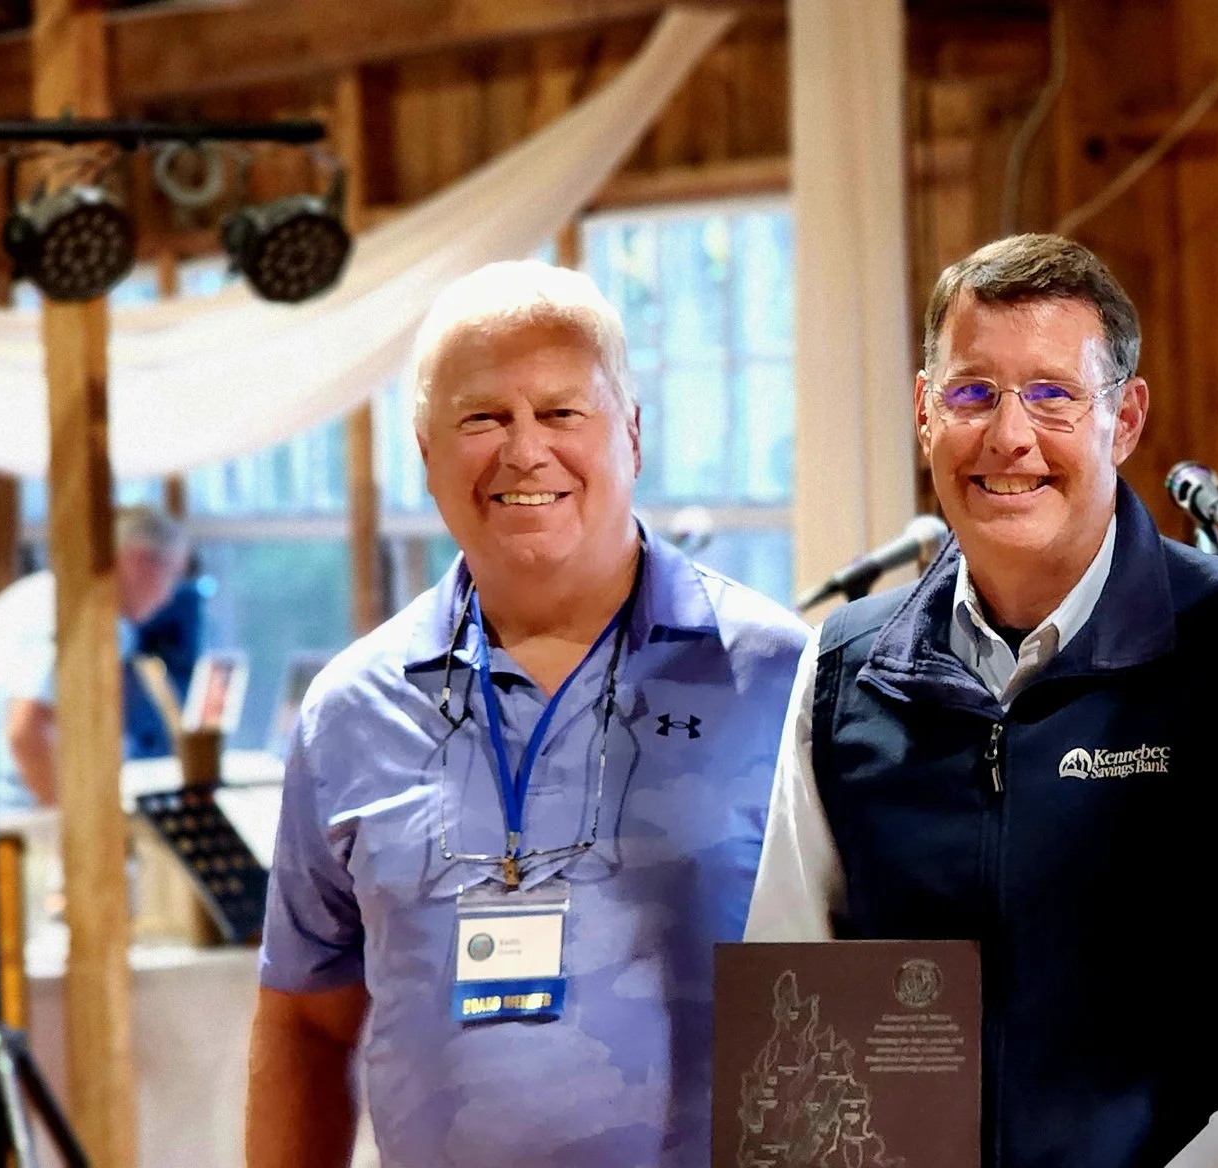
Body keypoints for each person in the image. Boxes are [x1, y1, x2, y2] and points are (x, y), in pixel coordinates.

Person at [746, 233, 1218, 1168]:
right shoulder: (842, 670)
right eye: (972, 393)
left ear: (1126, 418)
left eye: (1052, 394)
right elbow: (794, 1004)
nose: (1008, 436)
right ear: (923, 412)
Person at [248, 260, 807, 1167]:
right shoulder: (349, 712)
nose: (524, 451)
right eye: (483, 419)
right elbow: (307, 1024)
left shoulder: (779, 676)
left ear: (632, 434)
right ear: (425, 452)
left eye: (561, 412)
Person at [0, 504, 191, 808]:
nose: (168, 597)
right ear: (138, 560)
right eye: (171, 574)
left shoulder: (32, 594)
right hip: (24, 817)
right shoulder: (80, 613)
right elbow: (26, 731)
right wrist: (78, 822)